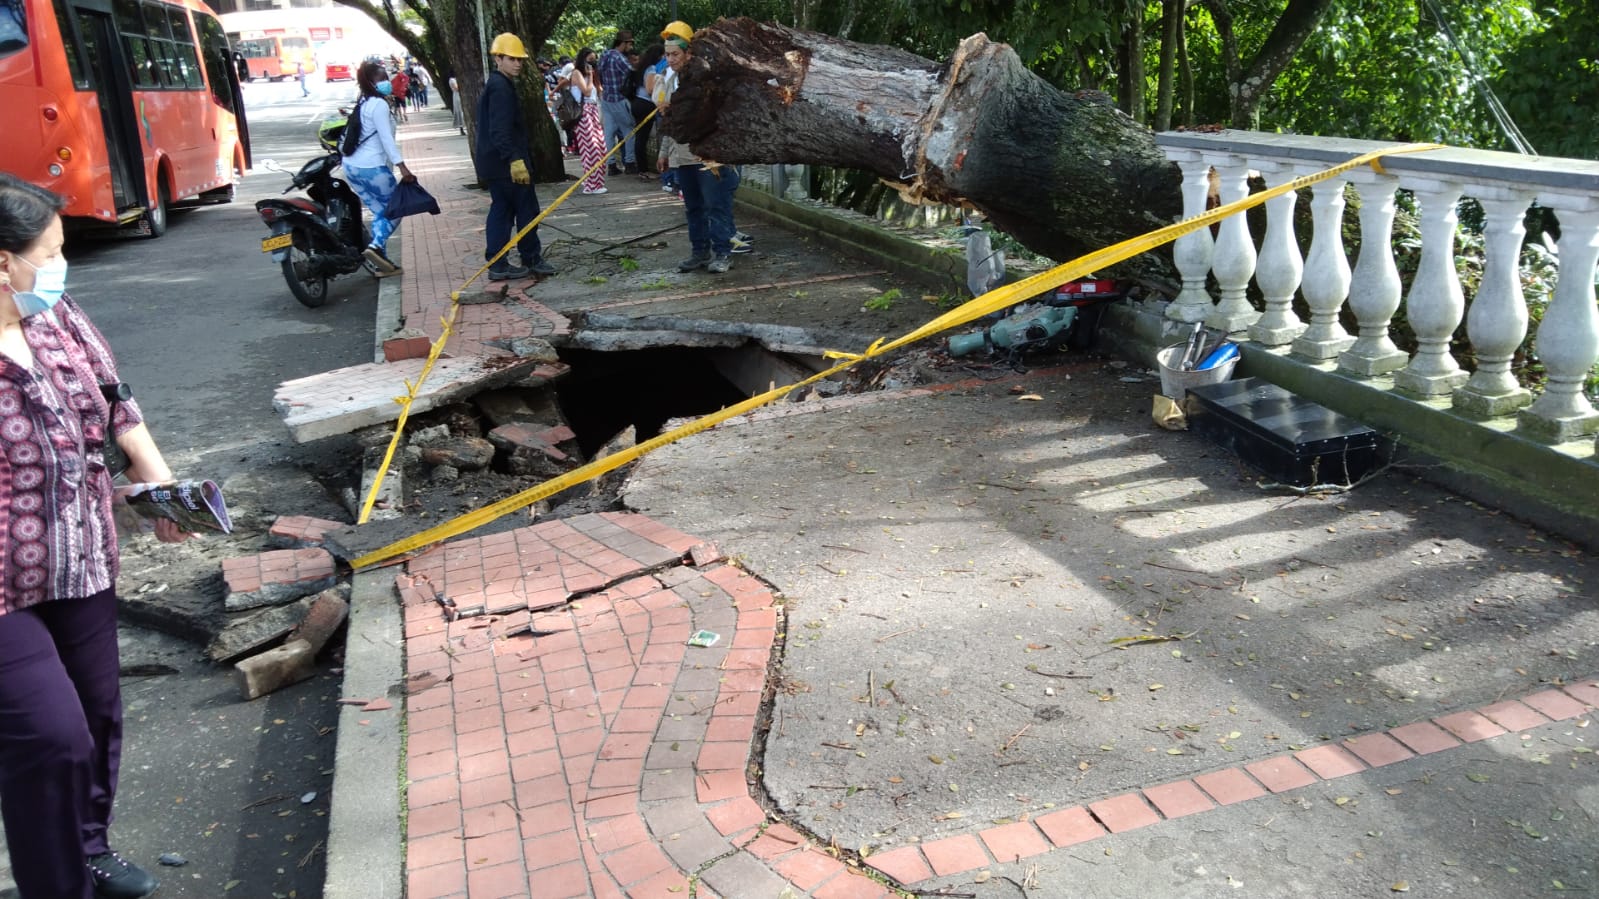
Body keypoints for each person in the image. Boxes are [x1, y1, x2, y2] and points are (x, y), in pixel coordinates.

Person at [0, 172, 193, 899]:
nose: (59, 266)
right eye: (48, 252)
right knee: (51, 737)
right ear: (2, 261)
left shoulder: (58, 315)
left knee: (96, 714)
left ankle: (89, 848)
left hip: (79, 552)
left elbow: (117, 403)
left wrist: (159, 484)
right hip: (1, 580)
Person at [657, 26, 741, 273]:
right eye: (667, 54)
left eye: (675, 54)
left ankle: (723, 253)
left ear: (689, 53)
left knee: (716, 206)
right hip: (682, 157)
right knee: (693, 207)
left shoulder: (705, 78)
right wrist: (664, 152)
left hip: (709, 157)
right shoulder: (671, 80)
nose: (670, 59)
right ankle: (700, 252)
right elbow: (670, 122)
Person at [475, 33, 558, 280]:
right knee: (524, 210)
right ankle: (529, 257)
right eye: (511, 58)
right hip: (506, 165)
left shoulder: (498, 83)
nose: (518, 63)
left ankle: (500, 262)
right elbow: (499, 130)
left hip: (497, 164)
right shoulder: (500, 87)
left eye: (520, 59)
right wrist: (514, 159)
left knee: (503, 210)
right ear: (498, 59)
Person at [341, 61, 413, 277]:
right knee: (397, 208)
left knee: (381, 213)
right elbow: (386, 140)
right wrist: (403, 167)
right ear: (372, 81)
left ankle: (381, 262)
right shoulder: (379, 105)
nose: (386, 82)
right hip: (373, 169)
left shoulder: (363, 101)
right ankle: (375, 247)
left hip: (352, 167)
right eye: (382, 79)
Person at [597, 29, 636, 176]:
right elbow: (631, 73)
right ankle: (630, 163)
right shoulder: (619, 58)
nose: (631, 47)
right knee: (629, 131)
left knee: (609, 133)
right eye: (630, 44)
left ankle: (611, 164)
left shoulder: (605, 55)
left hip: (606, 98)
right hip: (618, 98)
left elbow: (599, 74)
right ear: (624, 43)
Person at [568, 48, 607, 195]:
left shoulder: (591, 75)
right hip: (583, 113)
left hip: (593, 111)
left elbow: (598, 91)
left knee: (600, 147)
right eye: (589, 60)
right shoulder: (576, 73)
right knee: (591, 149)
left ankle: (596, 181)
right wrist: (590, 76)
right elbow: (587, 91)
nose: (591, 64)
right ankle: (591, 185)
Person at [628, 45, 662, 178]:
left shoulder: (640, 68)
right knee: (642, 138)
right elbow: (650, 89)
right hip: (645, 104)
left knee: (640, 138)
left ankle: (642, 169)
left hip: (637, 102)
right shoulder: (651, 69)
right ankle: (643, 170)